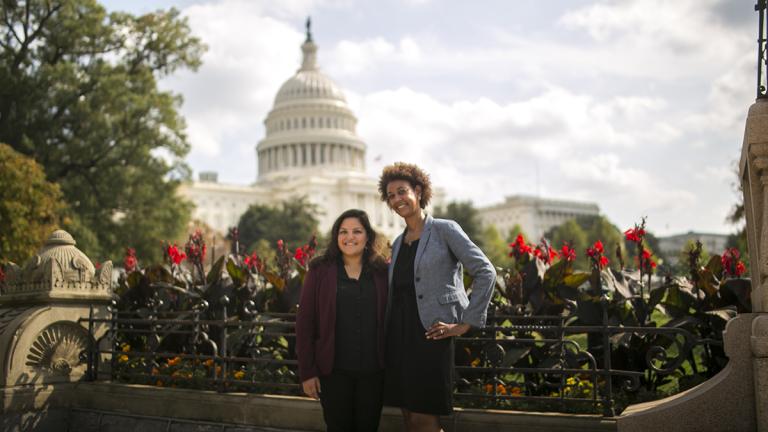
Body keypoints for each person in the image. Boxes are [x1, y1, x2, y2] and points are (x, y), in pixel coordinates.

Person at [378, 162, 496, 432]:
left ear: (418, 191)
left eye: (402, 191)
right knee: (409, 417)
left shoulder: (445, 230)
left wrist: (465, 323)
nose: (397, 199)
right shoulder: (398, 243)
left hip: (431, 336)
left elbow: (486, 271)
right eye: (391, 195)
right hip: (398, 338)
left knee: (424, 419)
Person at [295, 209, 389, 431]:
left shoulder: (382, 272)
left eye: (357, 231)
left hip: (373, 373)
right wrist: (307, 373)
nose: (349, 237)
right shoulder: (319, 270)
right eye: (343, 232)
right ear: (336, 236)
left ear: (368, 236)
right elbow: (305, 323)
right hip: (333, 373)